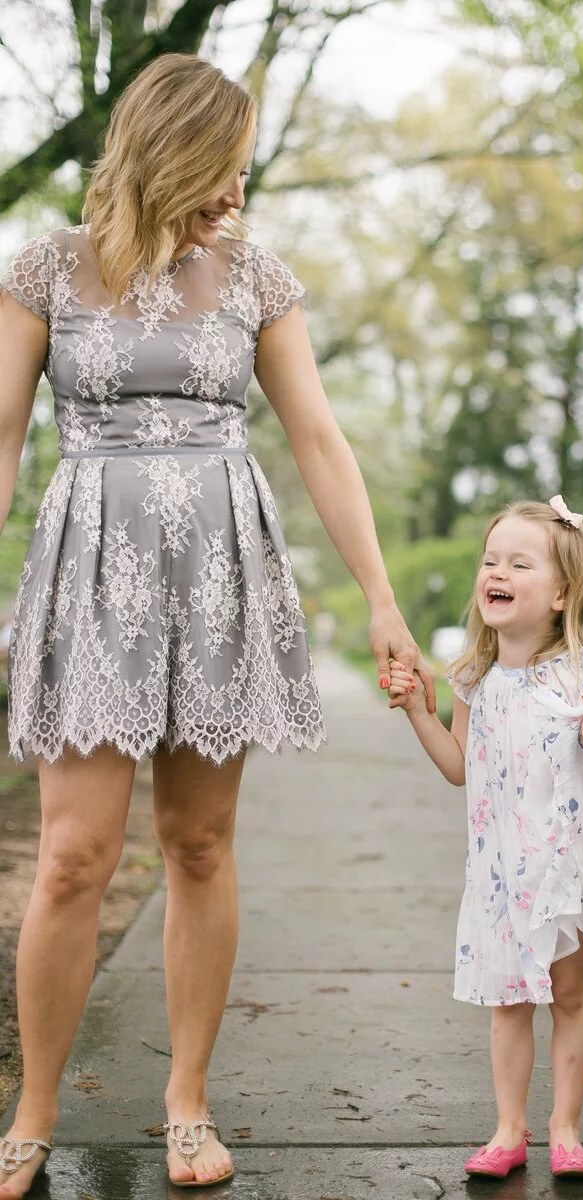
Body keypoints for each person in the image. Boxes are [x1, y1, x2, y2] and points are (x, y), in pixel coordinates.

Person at [0, 52, 433, 1197]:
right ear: (163, 157)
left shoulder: (256, 279)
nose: (237, 194)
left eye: (242, 174)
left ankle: (186, 1102)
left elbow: (321, 445)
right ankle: (32, 1109)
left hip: (222, 572)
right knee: (73, 860)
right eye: (221, 170)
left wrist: (383, 601)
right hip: (91, 572)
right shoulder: (43, 270)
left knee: (198, 843)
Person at [388, 497, 583, 1181]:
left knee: (569, 996)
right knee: (507, 1003)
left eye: (518, 563)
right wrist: (421, 711)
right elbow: (458, 768)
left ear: (561, 593)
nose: (495, 572)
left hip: (567, 871)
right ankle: (508, 1129)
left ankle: (566, 1129)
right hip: (501, 871)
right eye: (489, 559)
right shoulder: (476, 677)